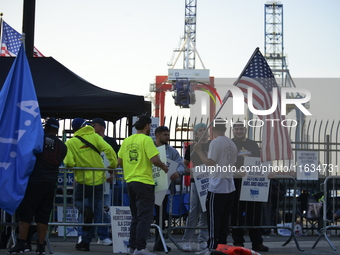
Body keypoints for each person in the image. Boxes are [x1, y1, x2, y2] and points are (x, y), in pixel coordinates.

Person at [7, 118, 67, 255]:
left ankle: (22, 242)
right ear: (57, 129)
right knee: (43, 214)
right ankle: (41, 246)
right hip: (51, 183)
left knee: (26, 213)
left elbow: (27, 155)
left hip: (34, 181)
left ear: (45, 127)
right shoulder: (63, 146)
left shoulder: (37, 139)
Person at [64, 118, 117, 252]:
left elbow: (69, 163)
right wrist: (112, 165)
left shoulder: (70, 142)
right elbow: (109, 150)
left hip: (82, 181)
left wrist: (74, 168)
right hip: (98, 180)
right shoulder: (95, 137)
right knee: (96, 211)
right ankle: (86, 243)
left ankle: (85, 210)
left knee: (77, 202)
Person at [117, 115, 168, 255]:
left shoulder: (127, 140)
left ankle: (132, 247)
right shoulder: (146, 140)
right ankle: (140, 248)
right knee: (145, 216)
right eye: (150, 126)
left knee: (135, 216)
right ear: (147, 126)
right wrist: (164, 167)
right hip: (144, 182)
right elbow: (154, 159)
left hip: (130, 181)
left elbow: (119, 161)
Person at [193, 118, 237, 255]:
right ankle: (221, 246)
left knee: (214, 219)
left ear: (212, 130)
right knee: (224, 219)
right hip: (229, 185)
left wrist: (199, 151)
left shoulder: (216, 143)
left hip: (217, 186)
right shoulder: (232, 143)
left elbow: (210, 162)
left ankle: (212, 247)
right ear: (224, 128)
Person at [230, 121, 269, 252]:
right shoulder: (230, 143)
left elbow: (260, 162)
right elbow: (225, 161)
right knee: (236, 213)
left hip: (252, 182)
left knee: (255, 213)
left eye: (241, 129)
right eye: (237, 129)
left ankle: (257, 242)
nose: (239, 131)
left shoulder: (252, 144)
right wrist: (236, 171)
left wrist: (269, 172)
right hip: (235, 182)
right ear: (233, 130)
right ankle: (238, 242)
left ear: (245, 130)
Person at [153, 125, 185, 252]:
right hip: (148, 186)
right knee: (145, 215)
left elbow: (181, 165)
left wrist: (178, 172)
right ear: (157, 135)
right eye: (165, 135)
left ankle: (159, 242)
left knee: (161, 216)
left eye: (168, 134)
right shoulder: (149, 146)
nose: (167, 137)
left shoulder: (172, 151)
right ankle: (140, 243)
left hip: (163, 188)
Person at [90, 117, 119, 246]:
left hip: (106, 182)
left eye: (94, 125)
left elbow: (118, 160)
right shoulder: (89, 140)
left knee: (104, 208)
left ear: (101, 127)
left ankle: (103, 235)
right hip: (90, 181)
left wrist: (114, 175)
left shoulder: (111, 142)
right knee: (88, 208)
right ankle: (84, 235)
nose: (91, 127)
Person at [181, 123, 210, 252]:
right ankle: (187, 239)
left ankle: (203, 240)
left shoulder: (212, 145)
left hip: (209, 181)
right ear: (196, 134)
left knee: (205, 211)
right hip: (196, 181)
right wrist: (189, 171)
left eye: (205, 130)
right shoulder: (192, 147)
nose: (203, 132)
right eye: (200, 130)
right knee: (194, 210)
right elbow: (184, 164)